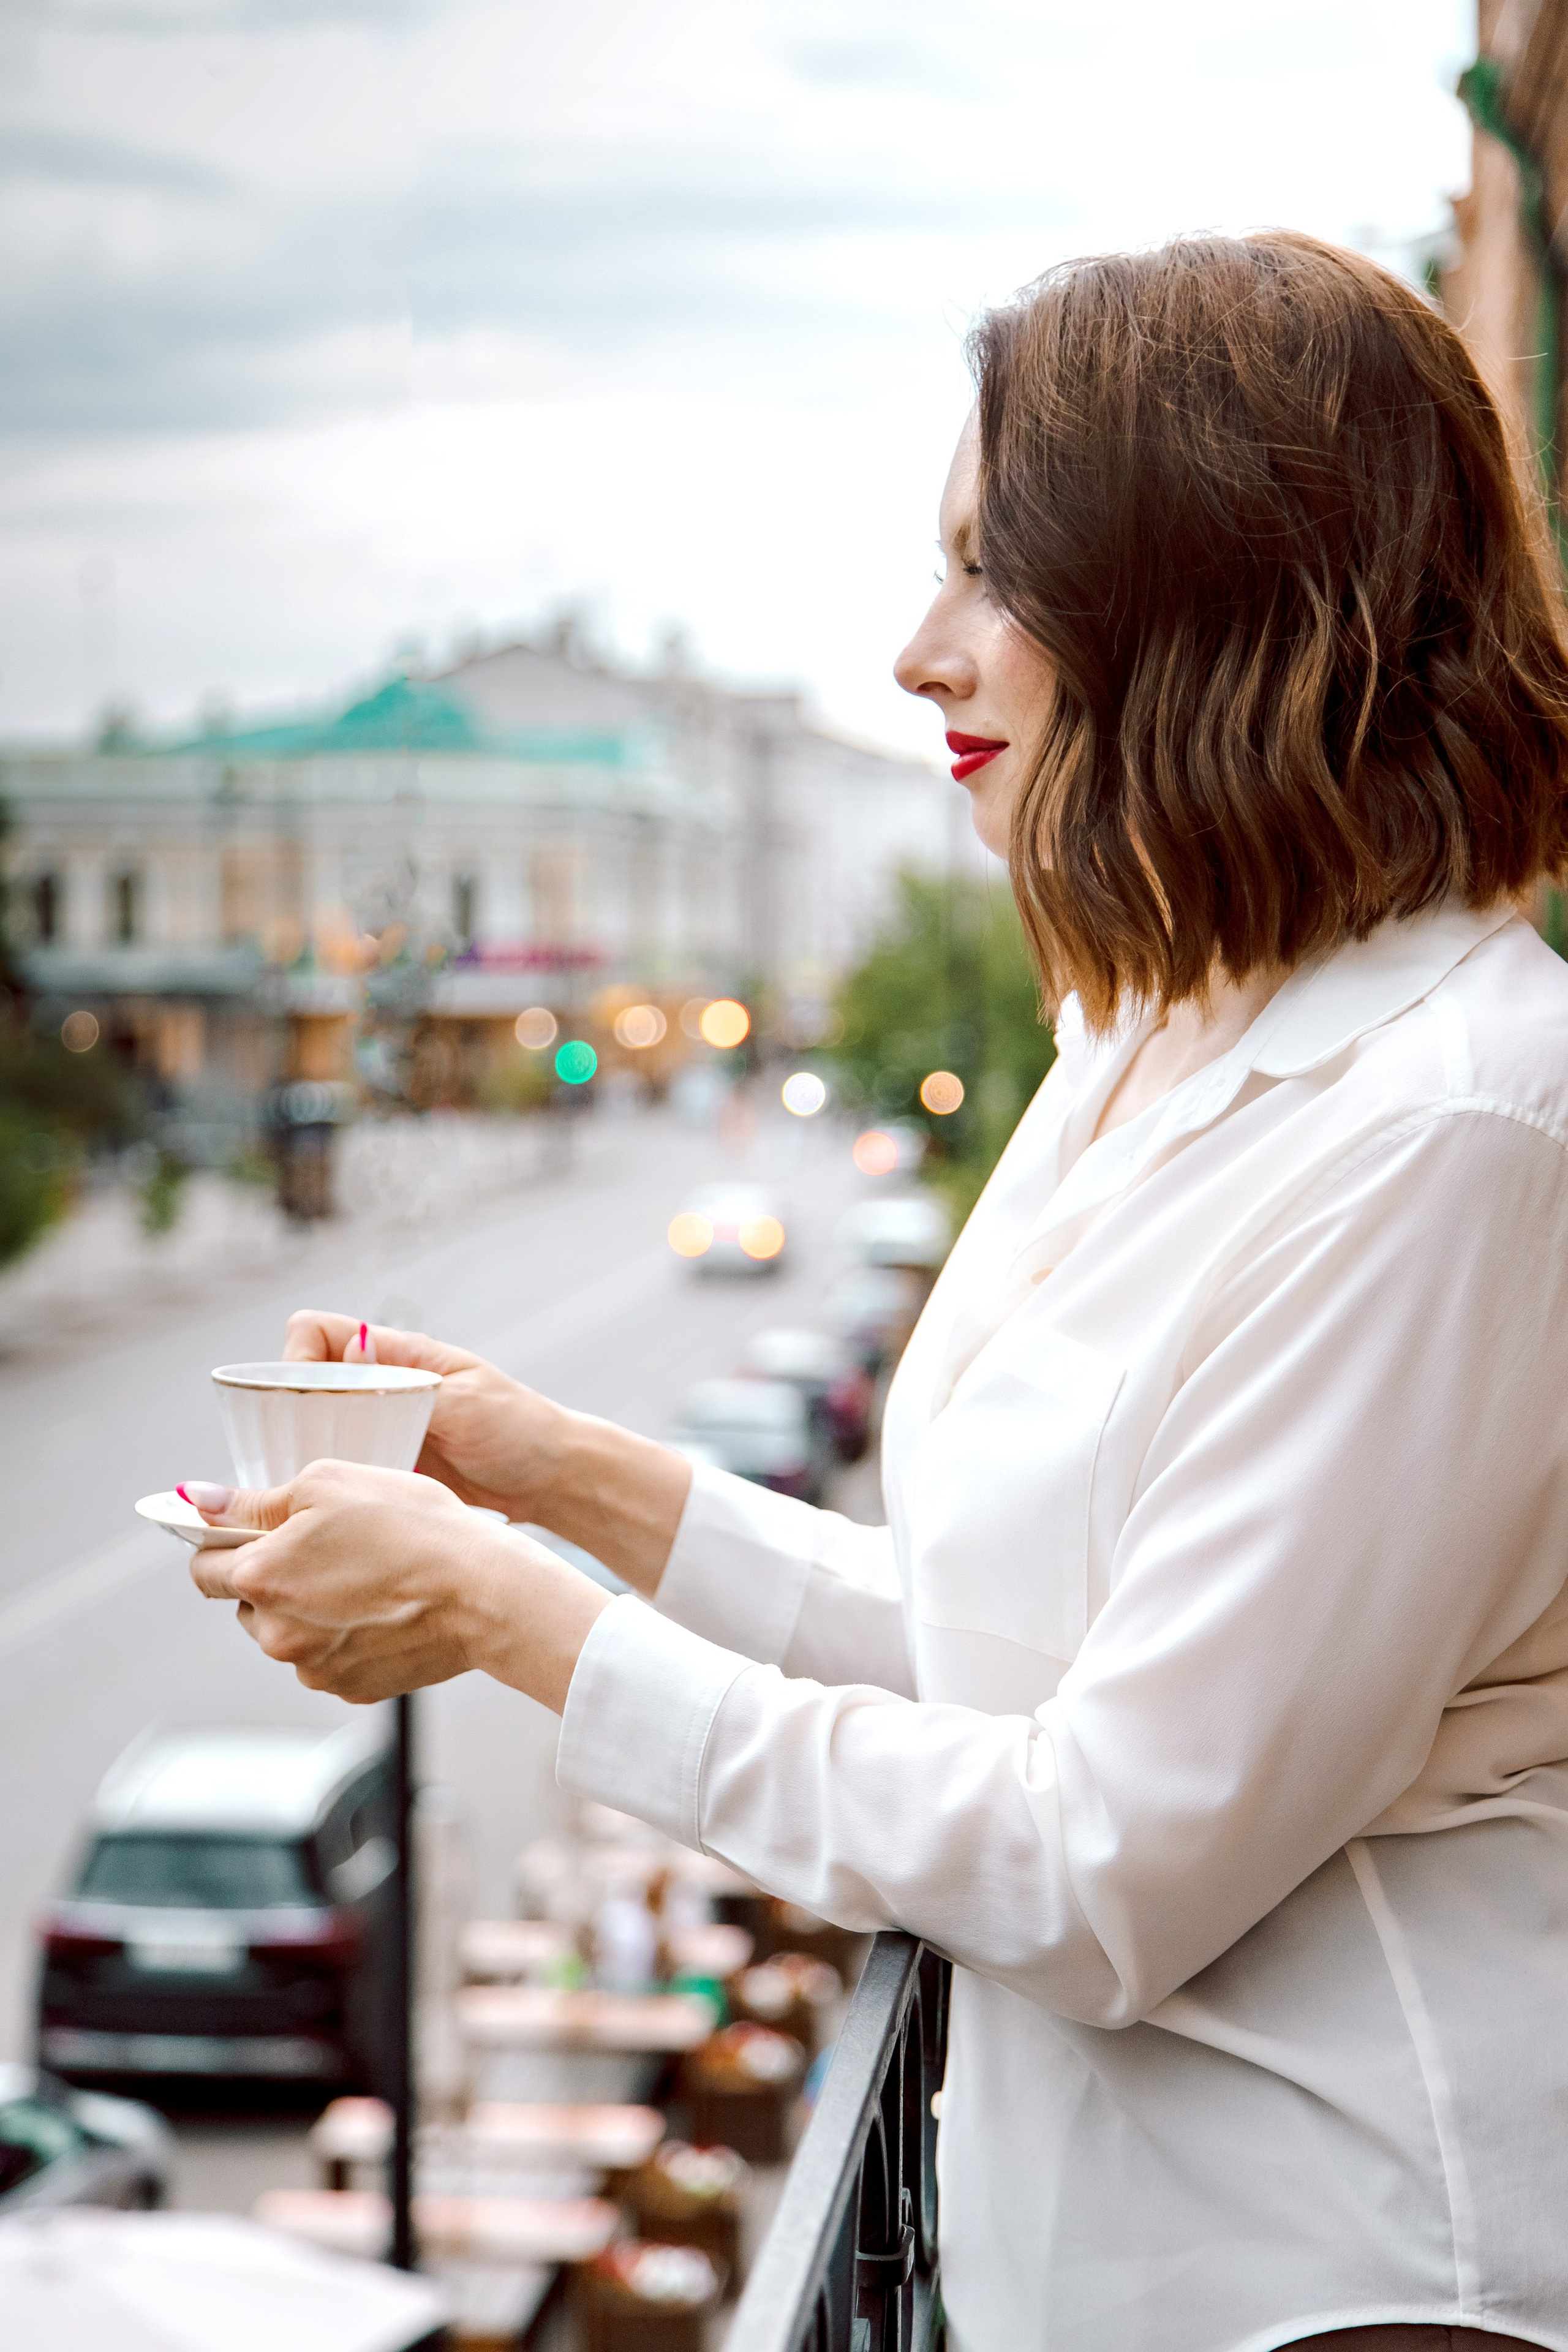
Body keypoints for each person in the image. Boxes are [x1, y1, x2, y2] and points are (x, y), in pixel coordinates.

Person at [186, 234, 1568, 2351]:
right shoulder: (1150, 1036)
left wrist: (508, 1619)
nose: (920, 654)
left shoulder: (1456, 1129)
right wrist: (556, 1473)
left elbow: (1099, 1856)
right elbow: (1016, 1657)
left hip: (1344, 2282)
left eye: (991, 576)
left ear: (1212, 594)